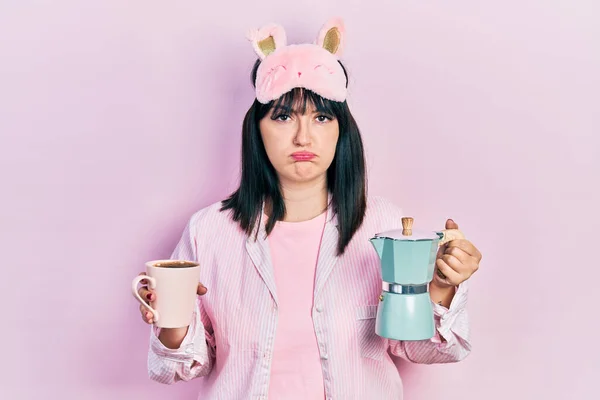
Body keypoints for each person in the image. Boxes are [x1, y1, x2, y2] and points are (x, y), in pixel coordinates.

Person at [136, 18, 482, 400]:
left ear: (340, 130)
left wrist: (441, 286)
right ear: (258, 129)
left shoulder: (383, 227)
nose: (303, 136)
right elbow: (178, 367)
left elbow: (427, 348)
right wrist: (168, 319)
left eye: (321, 117)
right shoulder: (209, 231)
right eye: (284, 116)